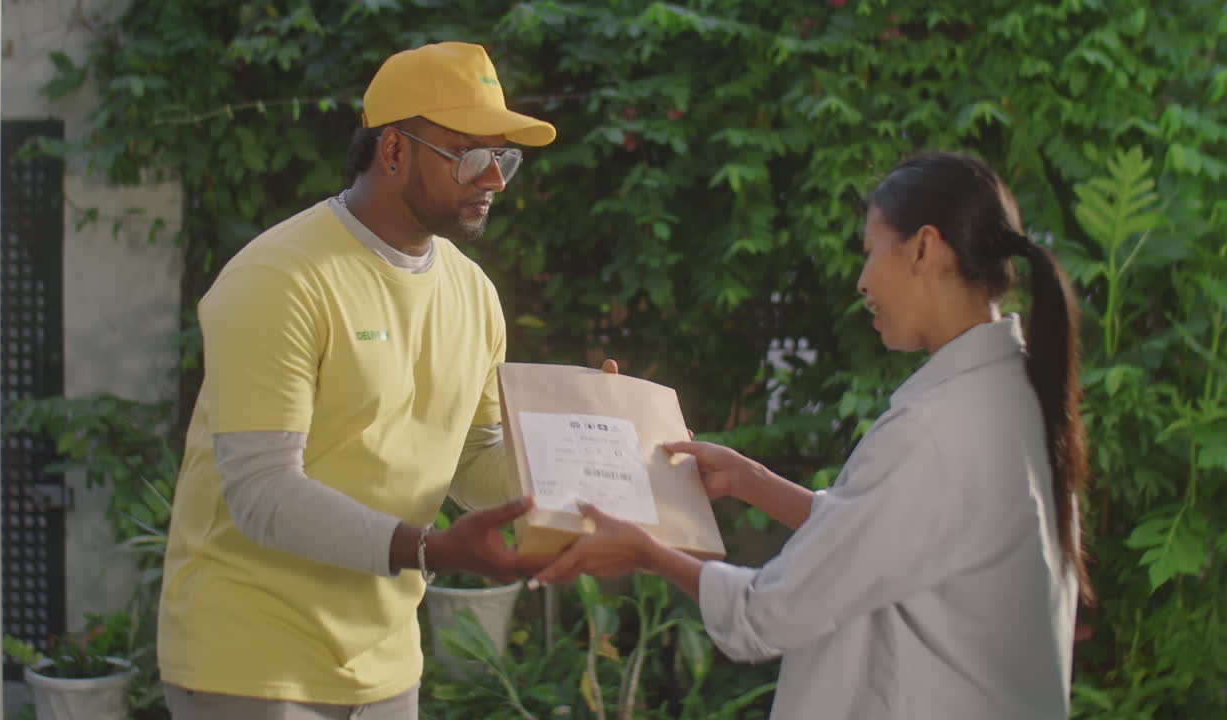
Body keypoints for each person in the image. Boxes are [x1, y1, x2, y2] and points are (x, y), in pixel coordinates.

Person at [534, 151, 1091, 719]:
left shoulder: (938, 429)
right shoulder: (1009, 395)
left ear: (925, 248)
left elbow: (764, 614)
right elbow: (888, 539)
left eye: (871, 252)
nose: (861, 280)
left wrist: (646, 552)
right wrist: (756, 483)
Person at [159, 42, 572, 720]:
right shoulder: (280, 280)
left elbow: (473, 462)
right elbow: (261, 492)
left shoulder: (473, 293)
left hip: (386, 665)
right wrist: (431, 548)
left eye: (503, 159)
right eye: (470, 155)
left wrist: (585, 448)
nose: (493, 180)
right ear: (393, 151)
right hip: (252, 659)